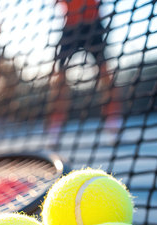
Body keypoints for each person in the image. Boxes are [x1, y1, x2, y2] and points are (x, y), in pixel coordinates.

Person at [47, 0, 120, 138]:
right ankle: (56, 124)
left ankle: (113, 121)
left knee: (105, 72)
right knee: (60, 75)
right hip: (71, 26)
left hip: (92, 24)